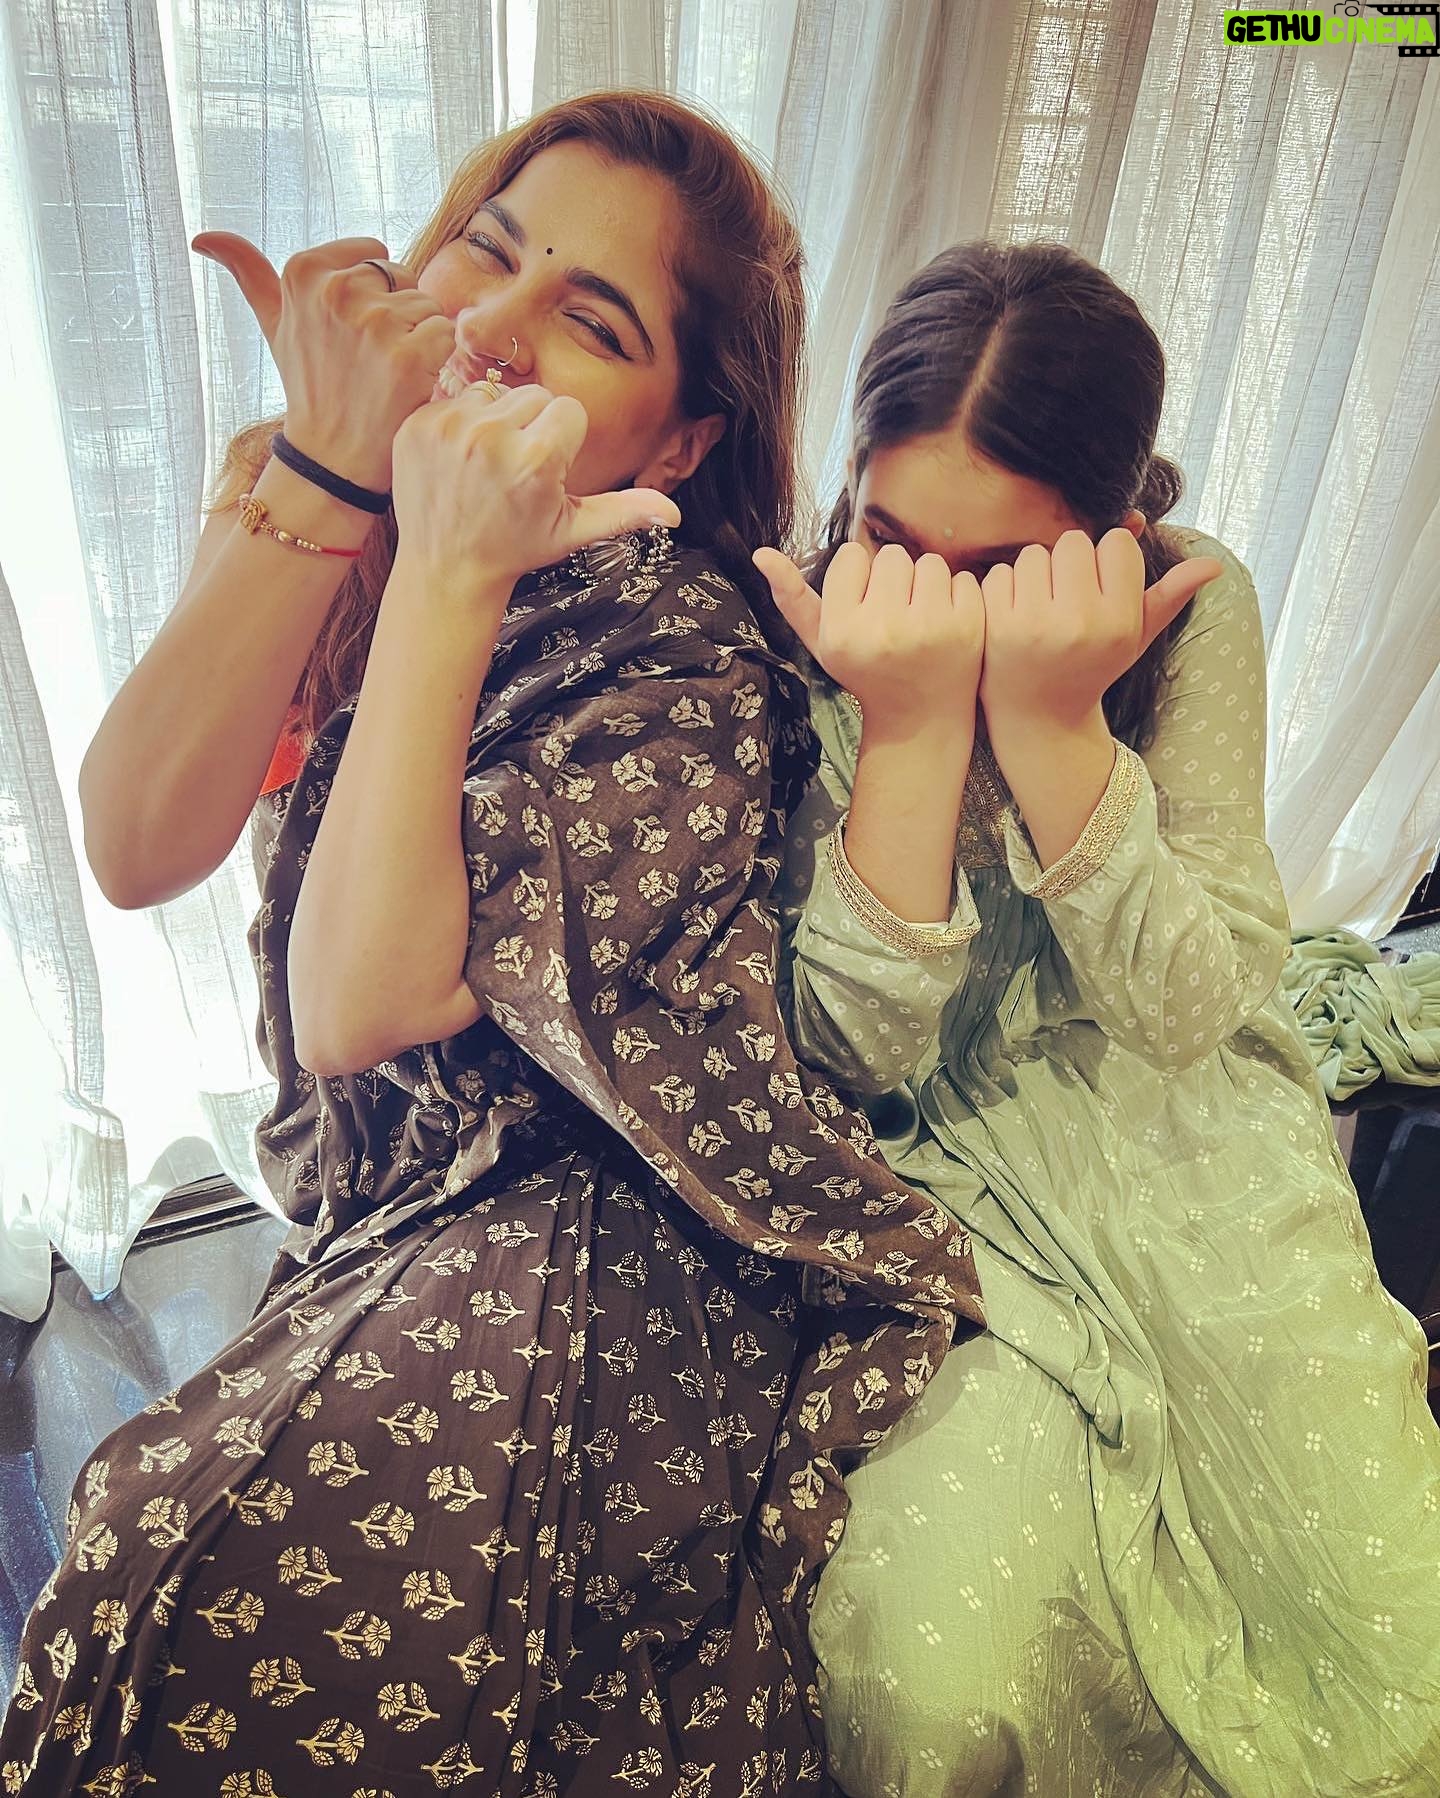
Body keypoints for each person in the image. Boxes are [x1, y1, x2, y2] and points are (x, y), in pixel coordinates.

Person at [0, 95, 983, 1797]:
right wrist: (324, 472)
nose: (496, 328)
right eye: (488, 249)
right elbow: (142, 836)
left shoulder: (675, 643)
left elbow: (357, 1009)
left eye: (592, 324)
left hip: (603, 1210)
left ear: (678, 440)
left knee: (236, 1570)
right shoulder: (333, 478)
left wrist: (449, 581)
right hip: (389, 1195)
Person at [757, 240, 1440, 1797]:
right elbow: (846, 1054)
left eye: (999, 568)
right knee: (930, 1693)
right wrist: (913, 734)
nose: (930, 605)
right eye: (893, 539)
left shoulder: (1191, 603)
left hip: (1184, 1133)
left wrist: (1055, 727)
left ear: (1113, 536)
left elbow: (1192, 1003)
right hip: (941, 1177)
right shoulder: (811, 613)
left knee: (1394, 1633)